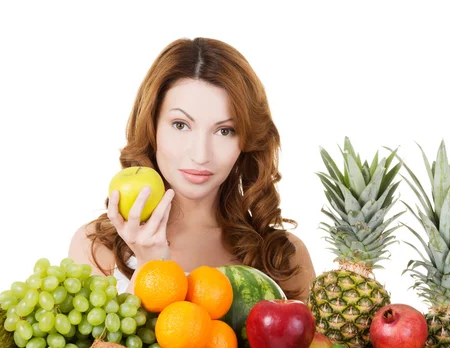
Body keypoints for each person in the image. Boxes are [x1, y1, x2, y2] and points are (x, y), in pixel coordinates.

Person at [68, 37, 316, 301]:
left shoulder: (283, 257)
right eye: (180, 125)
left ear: (246, 141)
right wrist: (149, 266)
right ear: (152, 127)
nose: (200, 155)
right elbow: (107, 343)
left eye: (225, 131)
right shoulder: (95, 247)